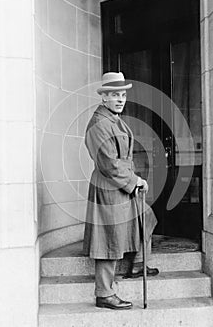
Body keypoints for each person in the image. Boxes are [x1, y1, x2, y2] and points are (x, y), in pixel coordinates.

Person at [83, 72, 158, 310]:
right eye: (114, 94)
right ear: (104, 97)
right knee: (109, 239)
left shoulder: (114, 118)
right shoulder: (100, 123)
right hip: (110, 186)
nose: (120, 99)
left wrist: (132, 180)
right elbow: (109, 164)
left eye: (123, 94)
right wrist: (135, 180)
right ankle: (104, 293)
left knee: (145, 217)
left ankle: (137, 264)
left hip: (121, 184)